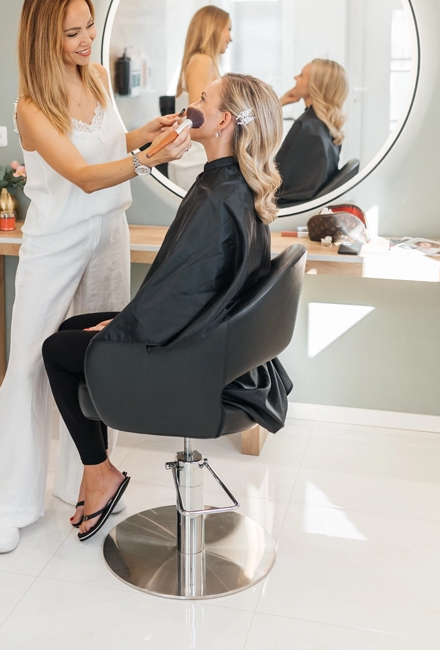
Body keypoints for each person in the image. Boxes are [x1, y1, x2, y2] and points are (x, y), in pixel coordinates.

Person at [0, 0, 192, 555]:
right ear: (44, 37)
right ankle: (8, 504)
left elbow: (108, 146)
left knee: (101, 360)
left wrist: (142, 137)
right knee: (27, 365)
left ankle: (89, 475)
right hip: (57, 242)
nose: (86, 40)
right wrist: (147, 160)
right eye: (72, 32)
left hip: (109, 232)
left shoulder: (97, 78)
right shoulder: (31, 107)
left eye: (90, 27)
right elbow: (80, 173)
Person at [42, 73, 293, 540]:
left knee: (58, 350)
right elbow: (189, 290)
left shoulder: (219, 197)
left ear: (220, 120)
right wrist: (120, 322)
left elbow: (182, 296)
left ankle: (99, 472)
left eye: (201, 98)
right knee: (78, 324)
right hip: (220, 350)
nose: (190, 102)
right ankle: (99, 470)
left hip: (190, 363)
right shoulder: (231, 187)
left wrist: (121, 331)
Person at [168, 5, 232, 189]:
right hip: (195, 160)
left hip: (193, 157)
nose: (230, 37)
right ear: (212, 29)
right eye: (228, 29)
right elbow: (200, 118)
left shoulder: (199, 61)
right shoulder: (202, 62)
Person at [276, 58, 349, 206]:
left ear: (315, 86)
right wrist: (279, 102)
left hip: (282, 210)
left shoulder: (307, 129)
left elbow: (279, 183)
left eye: (301, 75)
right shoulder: (326, 129)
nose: (295, 78)